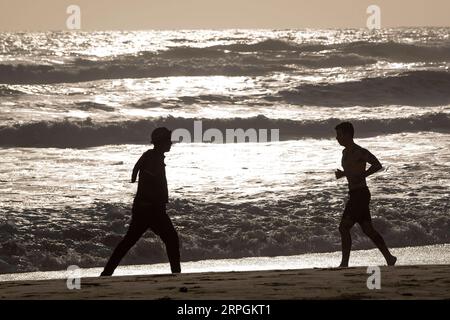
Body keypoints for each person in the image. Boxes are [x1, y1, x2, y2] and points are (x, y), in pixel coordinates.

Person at [101, 127, 181, 276]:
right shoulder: (153, 159)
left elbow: (138, 175)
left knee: (128, 242)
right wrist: (155, 205)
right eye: (168, 140)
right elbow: (149, 184)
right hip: (150, 209)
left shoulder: (152, 156)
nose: (170, 143)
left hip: (147, 208)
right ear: (161, 142)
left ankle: (106, 273)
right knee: (171, 239)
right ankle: (176, 275)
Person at [334, 122, 396, 268]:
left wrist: (364, 174)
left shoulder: (359, 151)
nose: (337, 138)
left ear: (348, 135)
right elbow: (352, 171)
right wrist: (343, 174)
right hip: (354, 193)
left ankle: (344, 263)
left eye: (339, 134)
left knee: (343, 228)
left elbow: (377, 164)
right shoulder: (345, 153)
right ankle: (389, 258)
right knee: (368, 229)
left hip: (360, 194)